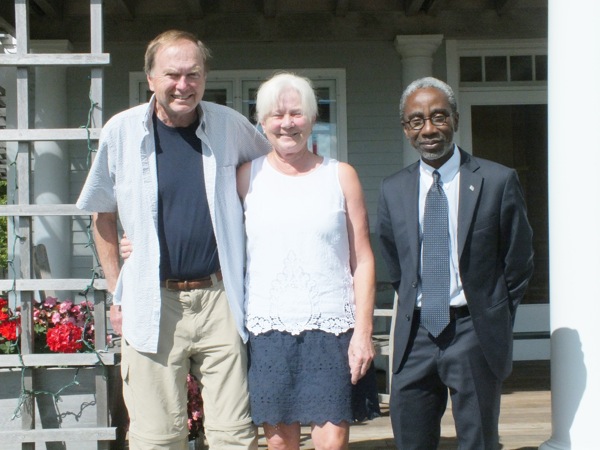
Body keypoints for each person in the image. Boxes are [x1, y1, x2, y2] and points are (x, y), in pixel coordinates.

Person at [76, 30, 270, 450]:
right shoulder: (122, 132)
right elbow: (102, 214)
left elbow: (272, 182)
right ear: (150, 78)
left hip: (220, 296)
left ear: (204, 77)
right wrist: (118, 291)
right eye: (172, 74)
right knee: (157, 439)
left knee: (235, 437)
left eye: (193, 74)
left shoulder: (230, 127)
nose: (183, 85)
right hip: (152, 300)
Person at [376, 77, 534, 450]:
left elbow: (519, 260)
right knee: (411, 438)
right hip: (415, 335)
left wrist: (492, 314)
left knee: (478, 439)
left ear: (455, 120)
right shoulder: (393, 188)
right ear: (406, 129)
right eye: (417, 120)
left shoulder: (497, 181)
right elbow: (395, 261)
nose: (428, 129)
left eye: (438, 117)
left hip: (472, 330)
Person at [237, 72, 379, 449]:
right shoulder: (245, 178)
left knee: (331, 443)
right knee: (280, 445)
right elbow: (214, 239)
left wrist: (363, 333)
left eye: (297, 114)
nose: (287, 123)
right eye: (277, 115)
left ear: (313, 119)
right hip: (268, 330)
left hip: (332, 331)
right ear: (263, 122)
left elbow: (363, 259)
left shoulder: (341, 176)